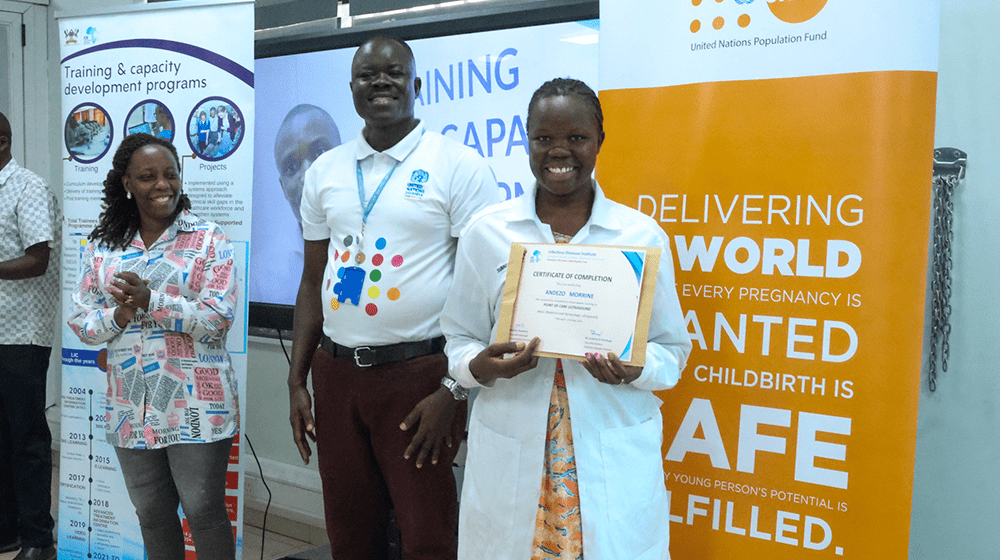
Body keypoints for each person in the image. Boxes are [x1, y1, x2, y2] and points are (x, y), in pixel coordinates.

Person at [441, 78, 692, 560]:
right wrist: (482, 367)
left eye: (576, 138)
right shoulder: (487, 233)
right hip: (516, 455)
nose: (559, 151)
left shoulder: (640, 235)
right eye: (543, 138)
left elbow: (672, 352)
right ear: (527, 140)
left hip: (606, 452)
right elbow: (458, 338)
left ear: (599, 141)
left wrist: (637, 369)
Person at [287, 36, 500, 560]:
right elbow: (312, 281)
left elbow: (491, 290)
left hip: (419, 378)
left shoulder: (459, 166)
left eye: (394, 72)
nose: (380, 81)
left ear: (416, 85)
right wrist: (297, 378)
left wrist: (453, 389)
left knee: (428, 534)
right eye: (367, 75)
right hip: (336, 377)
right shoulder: (326, 171)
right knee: (349, 531)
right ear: (353, 89)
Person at [67, 133, 239, 560]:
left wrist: (151, 302)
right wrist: (120, 316)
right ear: (127, 182)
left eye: (170, 174)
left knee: (203, 512)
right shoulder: (106, 246)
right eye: (148, 176)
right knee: (152, 515)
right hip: (129, 404)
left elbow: (217, 321)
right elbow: (82, 323)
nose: (163, 185)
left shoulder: (208, 238)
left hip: (197, 403)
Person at [0, 111, 60, 560]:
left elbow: (37, 258)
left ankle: (39, 540)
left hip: (22, 330)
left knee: (27, 439)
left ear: (2, 142)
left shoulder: (28, 187)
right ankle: (7, 531)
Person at [250, 104, 341, 305]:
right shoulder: (261, 277)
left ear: (345, 158)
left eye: (320, 152)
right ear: (283, 188)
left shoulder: (384, 243)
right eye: (291, 166)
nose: (308, 174)